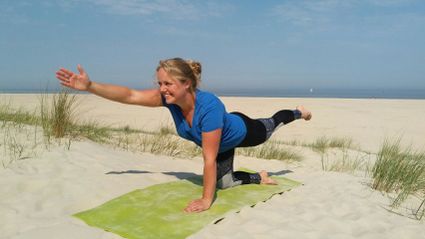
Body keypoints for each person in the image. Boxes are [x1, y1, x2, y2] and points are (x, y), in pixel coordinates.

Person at [55, 58, 312, 213]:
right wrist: (90, 86)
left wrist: (205, 200)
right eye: (160, 83)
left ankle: (297, 112)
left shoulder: (208, 107)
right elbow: (130, 95)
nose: (162, 89)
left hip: (242, 131)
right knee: (225, 184)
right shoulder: (168, 100)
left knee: (270, 126)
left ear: (186, 84)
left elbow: (208, 160)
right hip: (219, 138)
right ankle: (259, 176)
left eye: (168, 84)